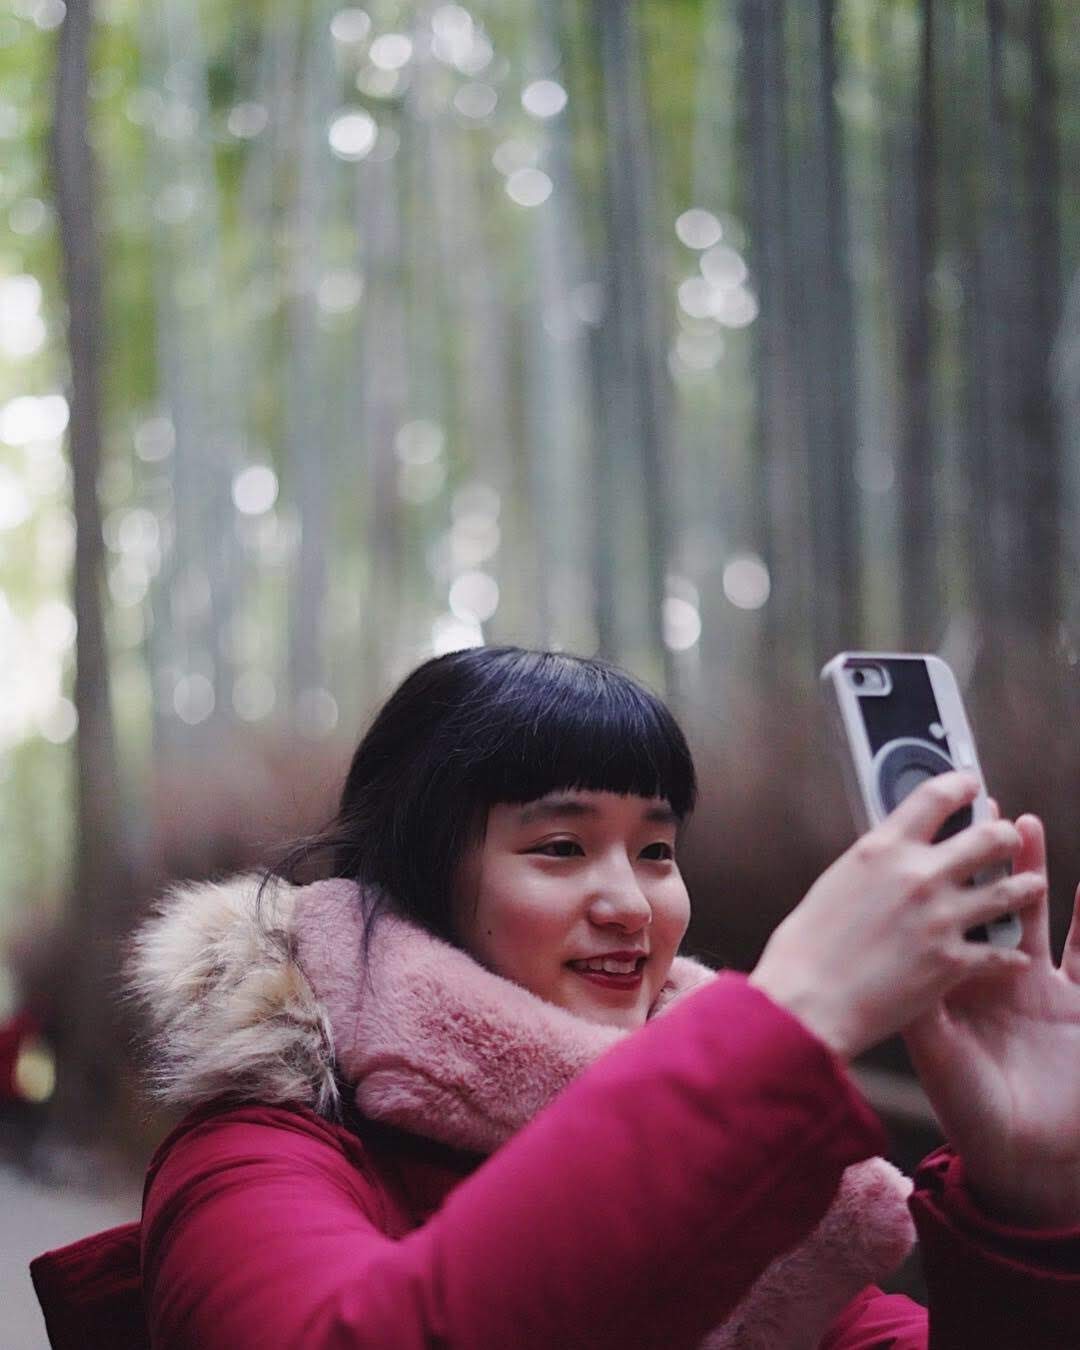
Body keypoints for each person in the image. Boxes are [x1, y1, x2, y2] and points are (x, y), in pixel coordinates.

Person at [30, 646, 1080, 1348]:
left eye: (658, 851)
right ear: (420, 878)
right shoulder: (258, 1155)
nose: (631, 903)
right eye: (563, 847)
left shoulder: (789, 1227)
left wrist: (1030, 1201)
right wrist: (785, 1025)